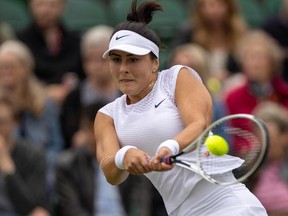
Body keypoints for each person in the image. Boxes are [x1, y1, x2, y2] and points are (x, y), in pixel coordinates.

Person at [94, 1, 267, 215]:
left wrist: (171, 147)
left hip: (227, 203)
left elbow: (199, 124)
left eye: (133, 60)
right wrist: (124, 155)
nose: (123, 69)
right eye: (116, 59)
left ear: (154, 63)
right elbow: (110, 171)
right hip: (180, 211)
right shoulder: (107, 115)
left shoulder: (177, 78)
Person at [0, 40, 64, 202]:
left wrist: (43, 170)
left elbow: (56, 145)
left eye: (11, 66)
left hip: (41, 173)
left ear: (26, 68)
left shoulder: (45, 104)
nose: (6, 72)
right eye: (2, 67)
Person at [56, 102, 126, 216]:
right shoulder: (67, 165)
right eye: (89, 129)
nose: (94, 136)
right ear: (82, 129)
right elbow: (72, 210)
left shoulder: (129, 158)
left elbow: (139, 206)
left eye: (101, 130)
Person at [61, 25, 121, 149]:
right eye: (89, 60)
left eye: (101, 59)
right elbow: (67, 134)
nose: (96, 66)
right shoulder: (74, 97)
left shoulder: (127, 93)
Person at [17, 0, 84, 106]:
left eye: (52, 5)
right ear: (30, 6)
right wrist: (45, 91)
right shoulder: (20, 42)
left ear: (63, 6)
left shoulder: (75, 41)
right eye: (39, 4)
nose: (45, 10)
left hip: (72, 101)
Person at [171, 0, 247, 85]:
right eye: (211, 5)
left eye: (220, 5)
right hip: (197, 84)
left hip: (229, 85)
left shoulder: (238, 33)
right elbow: (176, 63)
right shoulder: (189, 32)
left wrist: (229, 74)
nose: (215, 10)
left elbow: (242, 67)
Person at [0, 92, 51, 216]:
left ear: (14, 122)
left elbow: (33, 207)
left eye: (1, 122)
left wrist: (8, 167)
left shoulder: (34, 155)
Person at [251, 102, 288, 216]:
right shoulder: (250, 165)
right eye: (261, 137)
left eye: (270, 137)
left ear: (285, 136)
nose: (265, 143)